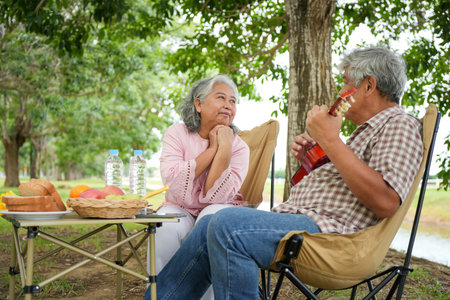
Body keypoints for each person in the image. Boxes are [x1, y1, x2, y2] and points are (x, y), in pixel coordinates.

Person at [146, 47, 424, 300]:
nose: (341, 91)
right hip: (305, 222)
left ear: (369, 85)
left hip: (335, 238)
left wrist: (331, 141)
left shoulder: (399, 124)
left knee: (225, 226)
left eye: (346, 83)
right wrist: (314, 161)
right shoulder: (365, 133)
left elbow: (385, 201)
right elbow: (345, 186)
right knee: (212, 222)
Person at [150, 74, 250, 299]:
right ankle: (160, 295)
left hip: (218, 207)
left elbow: (217, 196)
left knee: (214, 221)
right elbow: (173, 181)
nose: (228, 105)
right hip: (180, 206)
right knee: (163, 226)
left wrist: (225, 147)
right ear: (199, 104)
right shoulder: (177, 133)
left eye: (233, 101)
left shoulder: (240, 147)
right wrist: (212, 149)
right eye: (221, 97)